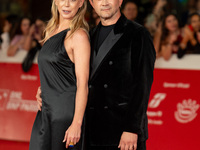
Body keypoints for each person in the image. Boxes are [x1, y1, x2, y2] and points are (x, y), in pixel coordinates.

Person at [37, 0, 156, 149]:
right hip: (92, 130)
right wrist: (46, 90)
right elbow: (74, 77)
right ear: (92, 3)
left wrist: (132, 128)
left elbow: (142, 86)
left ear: (120, 1)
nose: (104, 3)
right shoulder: (89, 35)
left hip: (122, 132)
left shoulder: (138, 34)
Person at [29, 0, 90, 150]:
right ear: (56, 2)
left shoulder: (78, 36)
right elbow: (55, 69)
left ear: (81, 3)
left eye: (73, 0)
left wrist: (76, 123)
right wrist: (43, 87)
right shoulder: (51, 31)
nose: (67, 4)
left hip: (65, 115)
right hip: (46, 111)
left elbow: (83, 84)